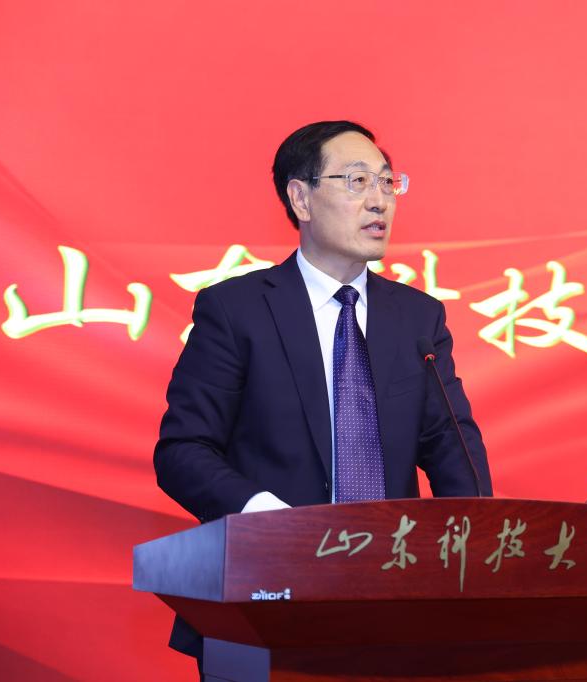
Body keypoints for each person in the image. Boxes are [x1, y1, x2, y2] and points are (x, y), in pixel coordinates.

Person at [153, 120, 492, 664]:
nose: (379, 200)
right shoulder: (237, 310)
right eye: (357, 181)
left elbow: (453, 448)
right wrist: (269, 518)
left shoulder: (417, 318)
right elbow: (183, 452)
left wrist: (476, 556)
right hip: (263, 597)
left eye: (387, 182)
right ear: (301, 198)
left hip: (393, 602)